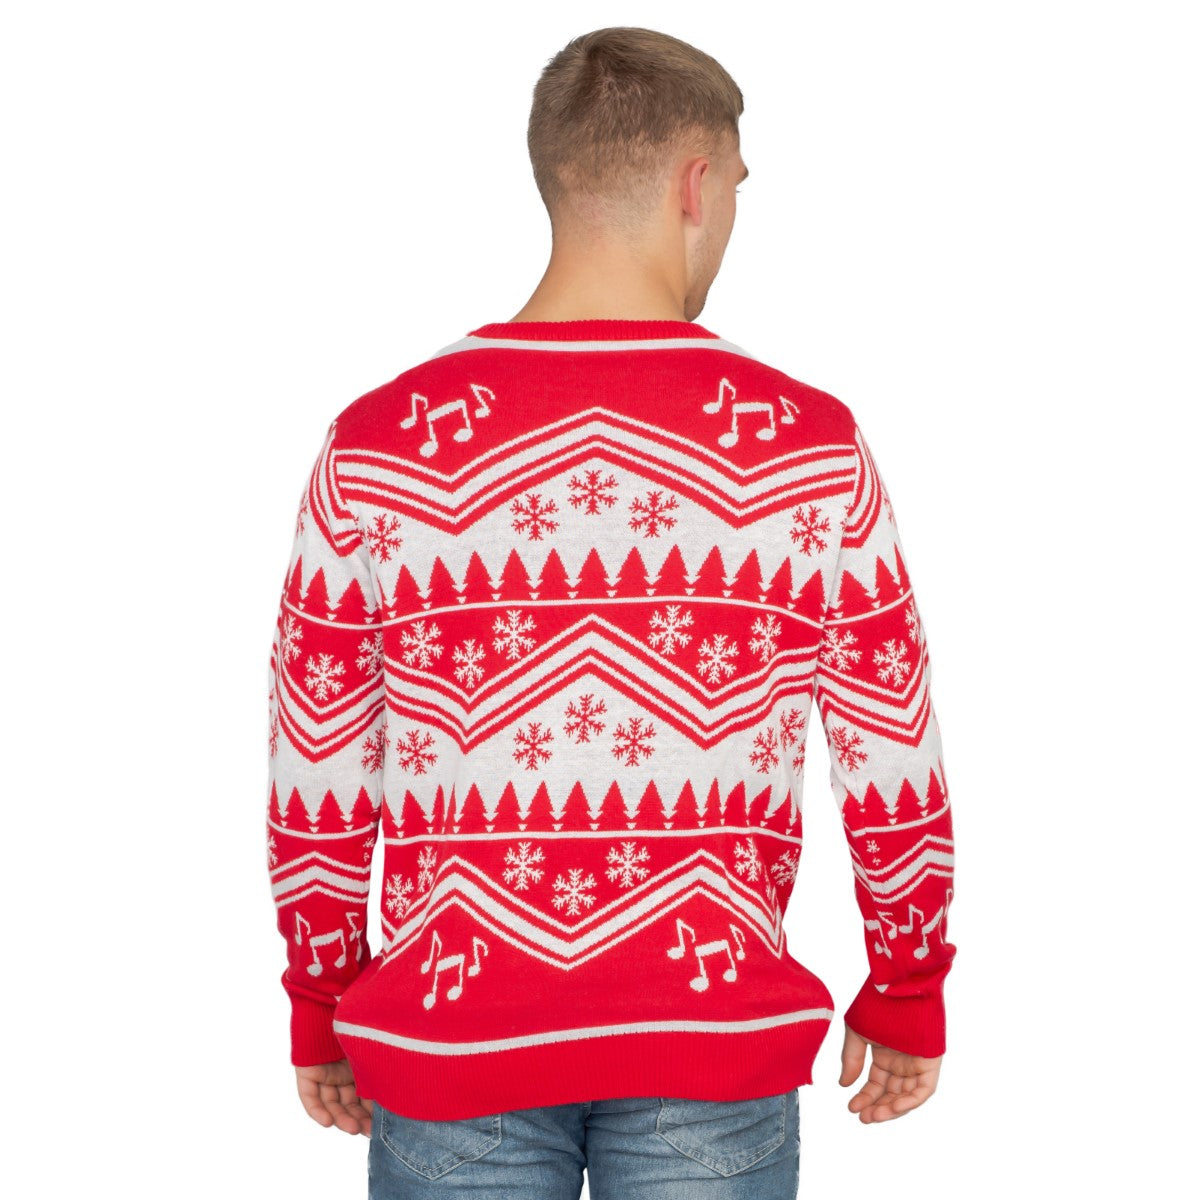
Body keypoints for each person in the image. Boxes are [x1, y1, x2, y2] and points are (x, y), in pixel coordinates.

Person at [264, 25, 957, 1199]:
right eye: (737, 189)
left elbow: (317, 753)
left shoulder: (377, 446)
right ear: (697, 184)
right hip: (712, 1042)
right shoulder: (809, 447)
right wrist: (906, 981)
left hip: (455, 1043)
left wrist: (324, 994)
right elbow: (891, 743)